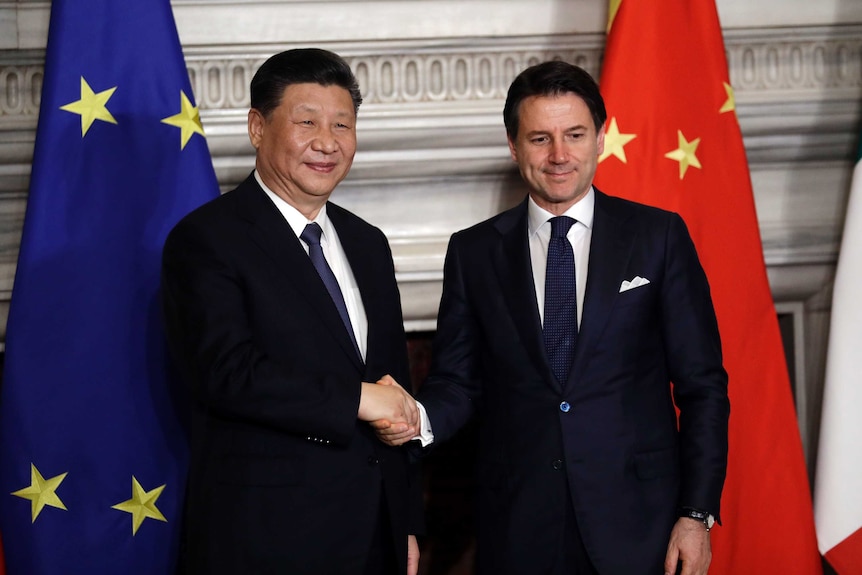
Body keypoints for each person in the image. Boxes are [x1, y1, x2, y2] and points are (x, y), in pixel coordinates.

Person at [374, 60, 729, 575]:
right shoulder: (473, 252)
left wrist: (695, 514)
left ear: (600, 138)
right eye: (540, 138)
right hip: (519, 525)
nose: (559, 155)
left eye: (575, 135)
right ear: (514, 146)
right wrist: (417, 419)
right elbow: (457, 381)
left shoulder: (658, 237)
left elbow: (703, 387)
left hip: (641, 524)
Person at [161, 48, 422, 575]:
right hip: (266, 541)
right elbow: (226, 373)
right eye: (307, 122)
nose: (327, 142)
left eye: (342, 125)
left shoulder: (368, 243)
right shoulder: (207, 238)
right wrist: (358, 399)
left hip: (374, 535)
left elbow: (395, 388)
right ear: (258, 127)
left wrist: (406, 522)